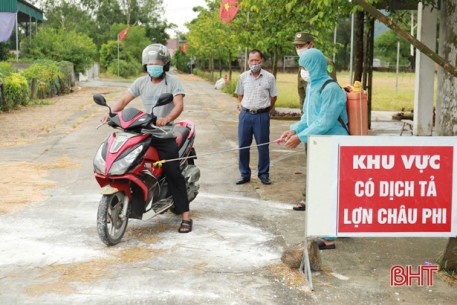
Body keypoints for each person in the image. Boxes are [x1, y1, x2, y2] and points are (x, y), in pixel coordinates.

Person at [101, 43, 192, 233]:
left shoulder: (173, 82)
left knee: (173, 172)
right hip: (143, 130)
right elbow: (124, 100)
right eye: (150, 63)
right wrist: (111, 113)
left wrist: (167, 118)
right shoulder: (141, 82)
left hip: (164, 134)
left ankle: (185, 216)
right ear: (145, 65)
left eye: (157, 62)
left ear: (165, 64)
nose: (153, 66)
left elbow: (179, 105)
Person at [279, 48, 349, 250]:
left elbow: (325, 121)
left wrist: (300, 137)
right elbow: (308, 118)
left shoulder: (331, 89)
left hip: (333, 143)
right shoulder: (312, 86)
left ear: (315, 66)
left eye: (305, 67)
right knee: (322, 188)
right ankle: (335, 229)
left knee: (330, 189)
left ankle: (329, 238)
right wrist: (292, 130)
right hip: (320, 143)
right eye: (301, 67)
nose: (302, 71)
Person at [293, 31, 337, 211]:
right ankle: (311, 197)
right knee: (312, 161)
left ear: (311, 44)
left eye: (301, 45)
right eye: (296, 46)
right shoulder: (304, 66)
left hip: (324, 126)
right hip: (310, 120)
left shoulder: (323, 64)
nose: (298, 49)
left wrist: (301, 133)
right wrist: (299, 125)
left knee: (324, 165)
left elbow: (326, 106)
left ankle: (321, 200)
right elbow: (303, 94)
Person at [234, 49, 278, 185]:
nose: (254, 63)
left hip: (261, 116)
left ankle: (263, 174)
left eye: (257, 60)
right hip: (246, 115)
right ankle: (244, 174)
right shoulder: (243, 77)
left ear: (262, 61)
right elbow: (239, 94)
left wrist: (265, 110)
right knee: (243, 146)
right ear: (248, 62)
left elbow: (273, 97)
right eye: (251, 60)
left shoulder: (269, 78)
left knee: (263, 146)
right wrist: (245, 106)